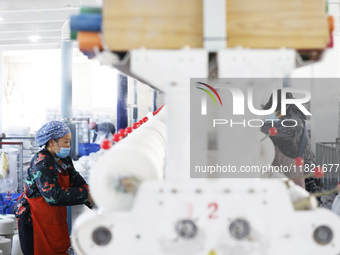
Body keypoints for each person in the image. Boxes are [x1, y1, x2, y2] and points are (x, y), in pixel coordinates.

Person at [14, 121, 93, 255]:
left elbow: (76, 180)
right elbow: (53, 196)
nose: (69, 146)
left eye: (69, 142)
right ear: (51, 142)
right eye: (66, 142)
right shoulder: (42, 162)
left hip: (52, 218)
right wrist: (86, 194)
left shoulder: (64, 160)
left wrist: (95, 196)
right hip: (34, 220)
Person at [261, 89, 320, 192]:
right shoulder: (293, 118)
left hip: (303, 178)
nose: (273, 113)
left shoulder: (292, 123)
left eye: (275, 110)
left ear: (285, 107)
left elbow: (267, 130)